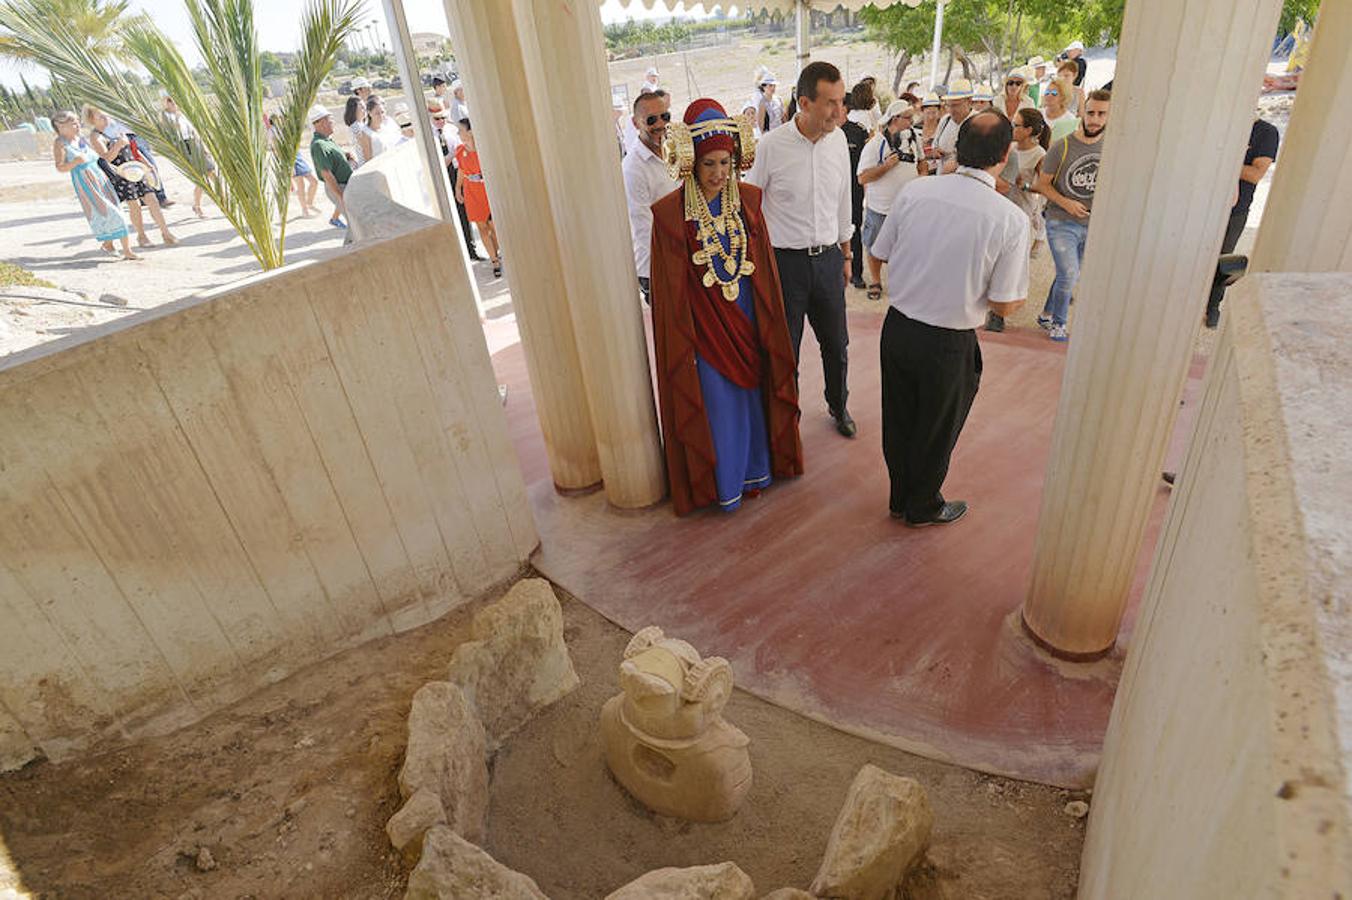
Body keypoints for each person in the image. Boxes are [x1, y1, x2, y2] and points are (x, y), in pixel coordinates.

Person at [870, 111, 1029, 526]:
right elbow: (1004, 304)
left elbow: (881, 251)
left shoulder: (916, 191)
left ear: (958, 146)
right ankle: (922, 504)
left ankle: (900, 496)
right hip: (948, 341)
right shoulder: (1010, 219)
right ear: (1005, 153)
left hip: (899, 327)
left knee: (899, 417)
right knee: (937, 428)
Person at [648, 98, 803, 515]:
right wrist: (687, 340)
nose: (719, 174)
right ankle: (725, 485)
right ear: (690, 164)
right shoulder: (668, 215)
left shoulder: (749, 201)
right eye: (709, 165)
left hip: (750, 320)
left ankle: (758, 472)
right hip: (703, 330)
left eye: (725, 163)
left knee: (752, 396)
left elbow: (765, 272)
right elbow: (670, 292)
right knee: (718, 404)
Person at [746, 61, 856, 438]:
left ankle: (839, 406)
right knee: (785, 351)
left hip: (827, 260)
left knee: (837, 345)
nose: (839, 112)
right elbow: (752, 206)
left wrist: (846, 252)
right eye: (830, 103)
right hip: (784, 265)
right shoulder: (771, 147)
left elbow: (844, 199)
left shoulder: (839, 141)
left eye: (841, 101)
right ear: (804, 102)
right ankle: (785, 421)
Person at [1034, 89, 1110, 342]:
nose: (1095, 119)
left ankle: (1046, 313)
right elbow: (1042, 184)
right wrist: (1066, 203)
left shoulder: (1112, 148)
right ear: (1082, 112)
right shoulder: (1062, 146)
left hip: (1094, 223)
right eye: (1090, 113)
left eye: (1101, 114)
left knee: (1069, 273)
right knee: (1069, 273)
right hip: (1061, 220)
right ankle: (1059, 323)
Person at [1206, 115, 1279, 328]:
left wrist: (1222, 160)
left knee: (1225, 260)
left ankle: (1212, 306)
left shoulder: (1266, 132)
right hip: (1202, 203)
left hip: (1235, 209)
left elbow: (1256, 174)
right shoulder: (1217, 124)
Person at [987, 107, 1050, 332]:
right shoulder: (1009, 147)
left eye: (1017, 125)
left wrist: (1023, 184)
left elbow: (1044, 187)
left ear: (1029, 130)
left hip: (1021, 212)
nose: (1012, 128)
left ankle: (998, 314)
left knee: (1011, 263)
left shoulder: (1040, 155)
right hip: (999, 208)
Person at [857, 101, 926, 301]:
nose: (912, 122)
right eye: (908, 118)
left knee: (907, 247)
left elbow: (921, 162)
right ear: (895, 119)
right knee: (874, 246)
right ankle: (876, 281)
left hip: (908, 208)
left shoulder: (913, 139)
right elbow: (862, 177)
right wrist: (886, 166)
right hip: (880, 208)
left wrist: (921, 178)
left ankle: (903, 282)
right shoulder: (876, 144)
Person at [82, 105, 177, 248]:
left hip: (136, 169)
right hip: (120, 174)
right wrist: (119, 145)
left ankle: (166, 233)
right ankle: (142, 236)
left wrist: (147, 164)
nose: (105, 118)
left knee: (152, 200)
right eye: (100, 116)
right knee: (135, 205)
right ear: (91, 119)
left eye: (105, 114)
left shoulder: (115, 128)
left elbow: (134, 149)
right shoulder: (96, 136)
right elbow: (106, 158)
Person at [51, 109, 137, 260]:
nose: (78, 124)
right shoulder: (60, 143)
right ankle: (120, 248)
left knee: (114, 209)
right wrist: (75, 162)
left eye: (77, 121)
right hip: (84, 181)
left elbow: (98, 158)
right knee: (106, 212)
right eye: (73, 122)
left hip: (100, 177)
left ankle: (116, 247)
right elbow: (59, 167)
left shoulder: (80, 138)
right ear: (61, 126)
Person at [622, 89, 677, 306]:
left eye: (665, 117)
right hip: (658, 269)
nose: (660, 124)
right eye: (651, 119)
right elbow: (643, 229)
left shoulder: (673, 151)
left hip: (681, 259)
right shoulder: (633, 168)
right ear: (636, 124)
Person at [430, 100, 483, 261]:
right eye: (437, 119)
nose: (441, 122)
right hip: (441, 175)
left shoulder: (453, 130)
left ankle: (471, 248)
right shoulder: (428, 135)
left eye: (443, 118)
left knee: (464, 212)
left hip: (458, 173)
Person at [454, 118, 502, 277]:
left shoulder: (484, 149)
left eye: (460, 130)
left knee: (494, 227)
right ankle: (494, 260)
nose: (458, 133)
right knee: (482, 228)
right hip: (471, 192)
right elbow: (461, 170)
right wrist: (458, 187)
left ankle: (496, 252)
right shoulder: (460, 150)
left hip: (487, 191)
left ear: (470, 131)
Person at [161, 95, 214, 218]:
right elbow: (171, 131)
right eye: (169, 101)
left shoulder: (183, 113)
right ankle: (198, 206)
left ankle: (215, 202)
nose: (173, 103)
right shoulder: (166, 116)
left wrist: (204, 147)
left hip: (195, 143)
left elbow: (194, 131)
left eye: (173, 101)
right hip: (183, 145)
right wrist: (176, 119)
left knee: (211, 171)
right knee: (200, 177)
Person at [842, 84, 873, 290]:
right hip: (831, 190)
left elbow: (866, 162)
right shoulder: (825, 131)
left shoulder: (857, 132)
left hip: (853, 189)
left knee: (854, 229)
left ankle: (857, 273)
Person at [308, 104, 351, 229]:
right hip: (338, 186)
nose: (332, 122)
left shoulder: (327, 140)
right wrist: (341, 196)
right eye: (329, 119)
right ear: (320, 122)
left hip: (344, 185)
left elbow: (333, 159)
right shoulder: (318, 145)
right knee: (355, 222)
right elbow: (326, 174)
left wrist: (346, 155)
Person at [933, 78, 974, 174]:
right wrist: (936, 151)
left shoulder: (977, 123)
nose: (951, 110)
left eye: (956, 105)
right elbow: (935, 143)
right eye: (949, 105)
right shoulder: (945, 120)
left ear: (969, 102)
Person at [1041, 78, 1078, 142]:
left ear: (1063, 96)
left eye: (1054, 93)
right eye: (1047, 92)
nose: (1049, 95)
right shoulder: (1039, 113)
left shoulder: (1070, 119)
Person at [754, 69, 785, 134]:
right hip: (770, 134)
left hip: (781, 132)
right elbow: (761, 125)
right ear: (764, 87)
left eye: (774, 85)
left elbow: (783, 118)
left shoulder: (779, 99)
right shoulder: (762, 103)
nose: (773, 88)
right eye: (770, 85)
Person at [918, 92, 942, 171]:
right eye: (928, 113)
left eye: (934, 113)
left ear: (939, 112)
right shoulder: (916, 129)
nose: (931, 117)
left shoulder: (942, 128)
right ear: (922, 111)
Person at [343, 95, 369, 168]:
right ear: (354, 109)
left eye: (365, 107)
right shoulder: (356, 126)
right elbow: (365, 146)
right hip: (366, 163)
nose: (365, 110)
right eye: (362, 107)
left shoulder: (362, 124)